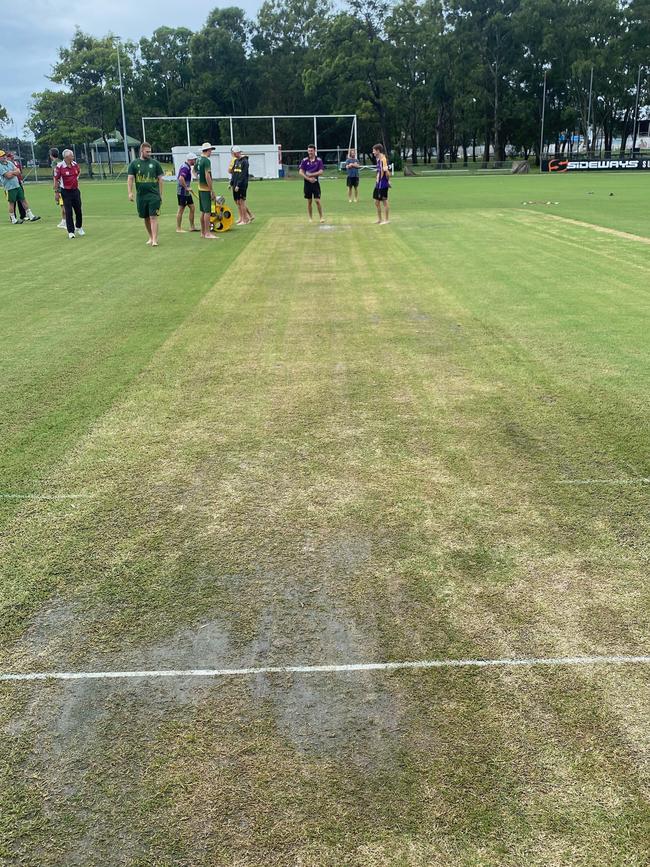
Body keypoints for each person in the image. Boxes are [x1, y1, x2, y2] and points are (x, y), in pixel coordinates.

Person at [127, 142, 164, 246]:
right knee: (146, 217)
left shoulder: (155, 163)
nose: (149, 153)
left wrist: (161, 194)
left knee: (153, 217)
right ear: (141, 151)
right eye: (147, 151)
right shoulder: (134, 164)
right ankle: (151, 237)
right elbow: (130, 179)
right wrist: (130, 192)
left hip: (154, 195)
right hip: (141, 196)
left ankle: (155, 240)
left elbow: (161, 179)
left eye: (150, 151)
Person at [0, 150, 40, 223]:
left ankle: (30, 215)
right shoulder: (0, 166)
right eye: (2, 156)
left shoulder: (9, 163)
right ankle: (13, 219)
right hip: (9, 187)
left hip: (17, 185)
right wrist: (14, 173)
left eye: (4, 155)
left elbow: (18, 171)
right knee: (11, 202)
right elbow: (7, 176)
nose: (4, 157)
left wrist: (12, 172)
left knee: (23, 199)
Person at [54, 149, 84, 239]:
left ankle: (79, 227)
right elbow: (56, 179)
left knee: (78, 210)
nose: (73, 157)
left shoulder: (74, 164)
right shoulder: (60, 166)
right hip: (65, 192)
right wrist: (56, 192)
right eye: (72, 156)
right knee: (68, 211)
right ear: (66, 157)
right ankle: (71, 231)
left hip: (75, 190)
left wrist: (76, 179)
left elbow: (79, 171)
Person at [196, 143, 218, 239]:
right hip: (205, 189)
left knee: (203, 211)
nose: (211, 152)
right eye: (210, 150)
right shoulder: (206, 161)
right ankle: (208, 233)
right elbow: (207, 175)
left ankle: (203, 232)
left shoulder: (198, 159)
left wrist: (197, 179)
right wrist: (211, 190)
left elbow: (194, 171)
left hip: (200, 188)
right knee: (207, 211)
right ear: (207, 150)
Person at [299, 144, 325, 223]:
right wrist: (308, 178)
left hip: (315, 183)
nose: (310, 152)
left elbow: (321, 172)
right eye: (309, 150)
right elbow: (300, 172)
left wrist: (312, 175)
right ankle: (310, 218)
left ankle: (321, 217)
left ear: (314, 151)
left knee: (317, 200)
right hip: (307, 183)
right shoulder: (305, 160)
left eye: (311, 151)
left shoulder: (319, 160)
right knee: (309, 201)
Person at [229, 146, 255, 224]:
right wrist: (231, 183)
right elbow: (234, 173)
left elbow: (243, 175)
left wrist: (238, 185)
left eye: (233, 153)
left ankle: (245, 220)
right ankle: (242, 218)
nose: (233, 155)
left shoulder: (245, 162)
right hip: (235, 184)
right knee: (238, 202)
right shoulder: (236, 161)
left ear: (237, 152)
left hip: (242, 185)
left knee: (242, 202)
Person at [176, 152, 199, 233]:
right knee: (181, 209)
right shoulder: (185, 168)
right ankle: (178, 228)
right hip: (182, 192)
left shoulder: (188, 167)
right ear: (190, 160)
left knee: (192, 208)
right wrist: (186, 187)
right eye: (194, 159)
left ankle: (192, 227)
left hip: (186, 192)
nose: (195, 161)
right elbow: (181, 178)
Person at [5, 152, 26, 220]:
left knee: (21, 199)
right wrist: (15, 173)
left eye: (13, 156)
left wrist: (20, 179)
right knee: (12, 201)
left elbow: (19, 172)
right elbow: (8, 175)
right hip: (10, 185)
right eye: (11, 156)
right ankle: (13, 217)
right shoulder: (5, 165)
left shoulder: (16, 163)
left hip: (18, 183)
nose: (12, 157)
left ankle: (23, 215)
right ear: (7, 157)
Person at [372, 143, 390, 224]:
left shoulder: (383, 159)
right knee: (376, 202)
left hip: (382, 184)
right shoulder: (378, 159)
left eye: (374, 151)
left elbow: (387, 172)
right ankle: (380, 219)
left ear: (378, 151)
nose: (373, 152)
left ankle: (386, 220)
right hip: (378, 183)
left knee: (384, 201)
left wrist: (388, 181)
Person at [50, 148, 66, 228]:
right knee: (63, 204)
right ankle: (64, 221)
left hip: (60, 186)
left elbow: (55, 176)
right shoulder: (61, 161)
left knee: (62, 204)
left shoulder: (54, 163)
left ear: (51, 155)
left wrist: (55, 189)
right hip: (66, 185)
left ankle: (65, 221)